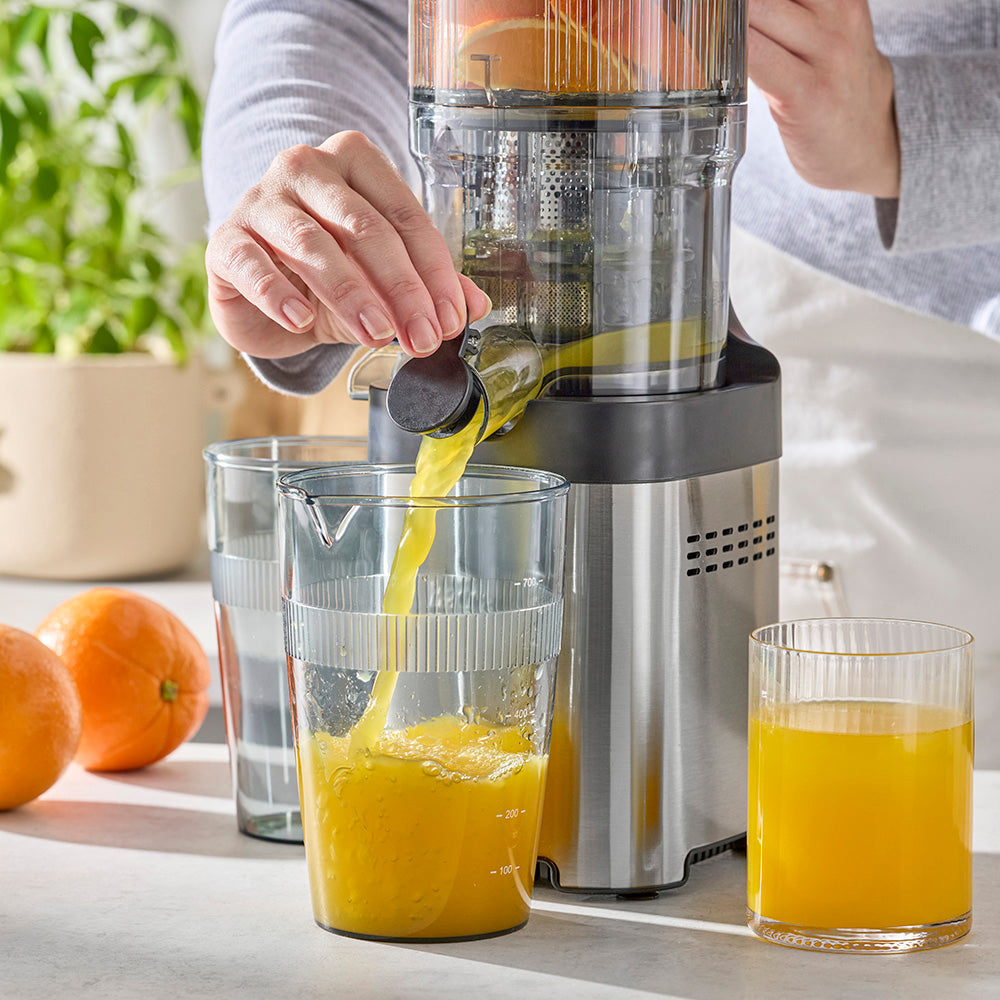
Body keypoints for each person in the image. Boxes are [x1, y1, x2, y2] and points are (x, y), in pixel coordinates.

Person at [202, 0, 1000, 655]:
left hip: (924, 432)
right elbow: (337, 11)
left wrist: (910, 121)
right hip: (659, 297)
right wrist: (312, 230)